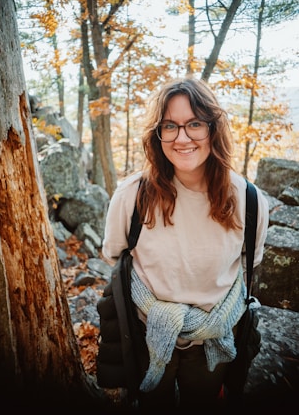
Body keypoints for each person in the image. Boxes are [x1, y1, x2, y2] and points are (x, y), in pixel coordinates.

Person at [101, 77, 269, 412]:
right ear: (157, 133)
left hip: (215, 340)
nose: (182, 138)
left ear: (213, 128)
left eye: (194, 124)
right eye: (170, 126)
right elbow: (115, 257)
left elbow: (249, 264)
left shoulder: (249, 200)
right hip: (145, 335)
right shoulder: (132, 195)